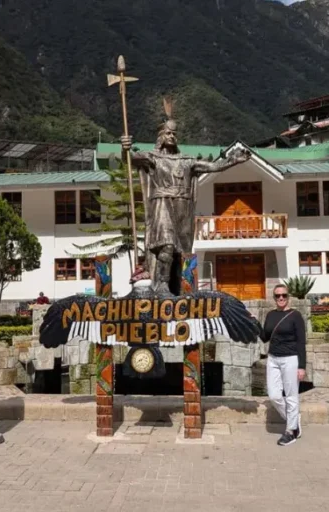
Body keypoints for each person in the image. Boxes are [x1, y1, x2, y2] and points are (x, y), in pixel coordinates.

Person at [120, 98, 250, 296]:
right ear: (160, 136)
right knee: (166, 245)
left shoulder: (187, 160)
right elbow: (129, 160)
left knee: (179, 250)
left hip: (182, 207)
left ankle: (177, 287)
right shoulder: (153, 158)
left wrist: (233, 160)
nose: (172, 136)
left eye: (174, 134)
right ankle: (162, 285)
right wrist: (125, 148)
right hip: (162, 205)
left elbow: (214, 166)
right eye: (168, 133)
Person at [260, 284, 307, 446]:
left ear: (288, 297)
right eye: (277, 296)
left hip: (290, 359)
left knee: (291, 395)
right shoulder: (271, 315)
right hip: (273, 358)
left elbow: (301, 342)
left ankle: (290, 431)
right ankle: (293, 420)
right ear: (274, 298)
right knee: (274, 395)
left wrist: (302, 366)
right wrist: (253, 323)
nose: (281, 298)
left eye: (284, 295)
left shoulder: (295, 316)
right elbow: (264, 337)